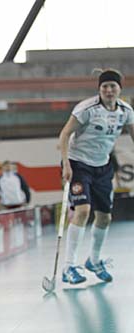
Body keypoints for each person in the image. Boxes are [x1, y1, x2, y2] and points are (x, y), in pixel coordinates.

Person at [59, 69, 134, 285]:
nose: (109, 90)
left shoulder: (126, 111)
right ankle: (69, 266)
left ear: (120, 89)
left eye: (113, 86)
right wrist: (66, 164)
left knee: (105, 217)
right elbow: (64, 134)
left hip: (102, 166)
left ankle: (94, 260)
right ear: (99, 89)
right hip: (78, 164)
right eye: (104, 87)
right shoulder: (87, 109)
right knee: (83, 211)